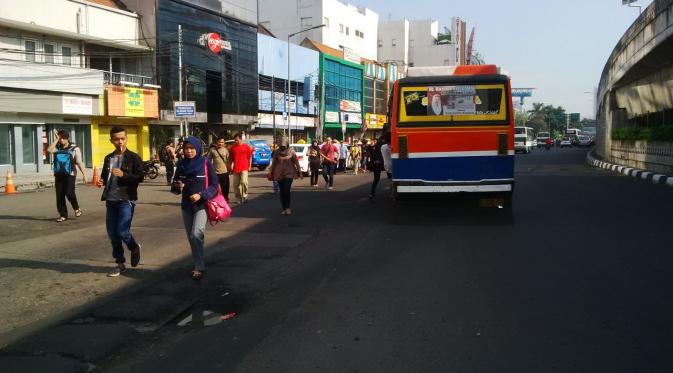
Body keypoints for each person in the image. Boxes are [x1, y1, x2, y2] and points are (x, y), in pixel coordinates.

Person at [97, 126, 144, 277]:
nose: (120, 142)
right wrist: (101, 181)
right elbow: (106, 177)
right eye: (116, 139)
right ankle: (120, 263)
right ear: (111, 140)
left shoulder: (133, 157)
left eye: (122, 138)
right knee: (113, 233)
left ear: (127, 138)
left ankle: (134, 247)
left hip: (126, 198)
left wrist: (124, 174)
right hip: (111, 200)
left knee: (123, 231)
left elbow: (140, 177)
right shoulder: (108, 158)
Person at [172, 137, 218, 280]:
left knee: (195, 235)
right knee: (192, 238)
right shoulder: (181, 164)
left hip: (202, 205)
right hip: (186, 206)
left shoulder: (205, 163)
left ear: (198, 148)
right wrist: (178, 185)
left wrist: (201, 195)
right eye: (186, 148)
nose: (189, 151)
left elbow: (214, 186)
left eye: (192, 148)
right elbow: (175, 185)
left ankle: (199, 267)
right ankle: (198, 262)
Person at [48, 129, 87, 222]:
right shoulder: (58, 148)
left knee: (69, 193)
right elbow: (49, 150)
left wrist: (84, 175)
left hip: (70, 174)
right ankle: (63, 215)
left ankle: (76, 208)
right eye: (60, 138)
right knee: (60, 195)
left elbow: (79, 162)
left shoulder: (74, 148)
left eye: (63, 138)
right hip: (59, 174)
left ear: (68, 138)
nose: (61, 140)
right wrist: (56, 140)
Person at [268, 139, 301, 215]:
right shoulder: (277, 152)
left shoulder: (291, 152)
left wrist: (300, 172)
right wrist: (270, 172)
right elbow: (273, 163)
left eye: (284, 146)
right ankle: (284, 208)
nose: (282, 148)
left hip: (289, 173)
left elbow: (296, 162)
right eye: (281, 146)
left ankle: (288, 208)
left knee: (286, 190)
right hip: (279, 173)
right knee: (282, 192)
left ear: (287, 145)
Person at [229, 133, 253, 204]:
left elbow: (250, 157)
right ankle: (238, 198)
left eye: (237, 140)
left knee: (244, 182)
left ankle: (244, 196)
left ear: (241, 139)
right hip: (236, 168)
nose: (236, 141)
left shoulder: (246, 147)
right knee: (236, 184)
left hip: (244, 167)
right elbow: (230, 158)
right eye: (235, 140)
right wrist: (230, 165)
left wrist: (250, 166)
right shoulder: (232, 147)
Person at [207, 136, 231, 202]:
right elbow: (208, 160)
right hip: (216, 173)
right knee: (215, 188)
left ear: (224, 143)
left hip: (225, 172)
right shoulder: (213, 150)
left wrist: (230, 168)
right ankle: (216, 200)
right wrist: (210, 169)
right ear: (217, 142)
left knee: (225, 188)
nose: (221, 143)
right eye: (219, 142)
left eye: (222, 142)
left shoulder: (226, 150)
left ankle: (225, 199)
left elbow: (228, 160)